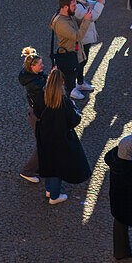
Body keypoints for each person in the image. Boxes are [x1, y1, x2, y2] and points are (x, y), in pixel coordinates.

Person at [33, 68, 91, 206]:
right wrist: (74, 108)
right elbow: (74, 121)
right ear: (62, 83)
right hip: (59, 138)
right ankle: (54, 195)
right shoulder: (63, 102)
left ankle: (49, 189)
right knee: (57, 167)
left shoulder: (42, 95)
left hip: (44, 134)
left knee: (47, 162)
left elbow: (36, 111)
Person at [50, 0, 92, 99]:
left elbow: (77, 23)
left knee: (78, 68)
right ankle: (71, 94)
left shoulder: (68, 15)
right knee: (70, 77)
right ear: (65, 7)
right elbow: (77, 36)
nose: (76, 7)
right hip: (69, 54)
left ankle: (78, 85)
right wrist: (86, 20)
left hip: (74, 52)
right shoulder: (61, 23)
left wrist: (85, 18)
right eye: (73, 6)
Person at [18, 46, 47, 184]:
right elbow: (46, 88)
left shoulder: (33, 76)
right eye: (40, 64)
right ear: (32, 67)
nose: (42, 66)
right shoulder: (34, 83)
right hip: (37, 115)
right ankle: (27, 171)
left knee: (44, 142)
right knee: (43, 144)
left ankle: (39, 167)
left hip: (36, 112)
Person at [72, 0, 105, 93]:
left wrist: (98, 2)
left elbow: (91, 4)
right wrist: (100, 3)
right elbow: (92, 17)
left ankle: (80, 83)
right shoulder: (76, 6)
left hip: (85, 38)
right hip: (81, 39)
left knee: (83, 61)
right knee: (80, 62)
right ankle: (74, 86)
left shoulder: (81, 1)